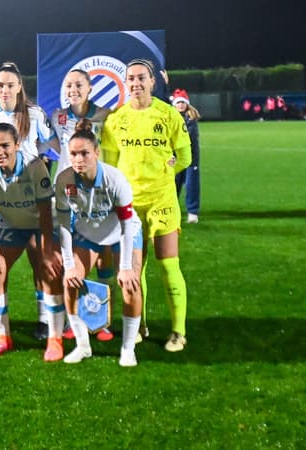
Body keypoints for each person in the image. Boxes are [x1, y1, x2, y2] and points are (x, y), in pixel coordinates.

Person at [101, 58, 192, 352]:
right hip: (130, 206)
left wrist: (167, 171)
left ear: (153, 82)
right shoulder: (115, 119)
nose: (136, 83)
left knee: (168, 264)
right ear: (125, 82)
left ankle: (178, 332)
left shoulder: (168, 115)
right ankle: (138, 324)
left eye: (142, 77)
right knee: (134, 268)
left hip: (162, 200)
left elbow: (185, 157)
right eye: (131, 78)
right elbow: (109, 166)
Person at [0, 61, 61, 341]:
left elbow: (54, 143)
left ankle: (45, 321)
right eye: (0, 85)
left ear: (19, 87)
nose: (5, 90)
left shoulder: (34, 114)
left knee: (41, 263)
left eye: (10, 85)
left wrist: (41, 161)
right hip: (4, 203)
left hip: (32, 199)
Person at [55, 119, 144, 367]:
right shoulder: (63, 180)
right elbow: (64, 225)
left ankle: (127, 349)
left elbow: (127, 224)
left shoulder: (115, 179)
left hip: (123, 233)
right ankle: (83, 346)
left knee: (131, 285)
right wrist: (69, 265)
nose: (78, 159)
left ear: (96, 152)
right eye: (73, 154)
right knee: (71, 282)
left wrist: (125, 267)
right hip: (88, 234)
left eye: (84, 153)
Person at [0, 123, 63, 359]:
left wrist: (47, 251)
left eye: (5, 145)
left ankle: (55, 339)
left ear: (17, 145)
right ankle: (2, 336)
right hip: (11, 226)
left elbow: (45, 211)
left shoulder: (34, 167)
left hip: (41, 224)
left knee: (50, 270)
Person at [50, 68, 116, 342]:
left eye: (78, 85)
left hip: (99, 194)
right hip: (67, 195)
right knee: (70, 258)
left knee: (104, 255)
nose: (73, 90)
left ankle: (102, 319)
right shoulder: (57, 116)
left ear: (90, 88)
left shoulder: (106, 116)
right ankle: (72, 318)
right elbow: (47, 143)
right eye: (68, 85)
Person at [171, 89, 202, 224]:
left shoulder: (191, 118)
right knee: (173, 186)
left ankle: (192, 212)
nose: (181, 105)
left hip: (190, 159)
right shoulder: (169, 118)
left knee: (191, 186)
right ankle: (172, 211)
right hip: (175, 159)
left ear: (187, 104)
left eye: (183, 102)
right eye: (178, 103)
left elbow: (188, 138)